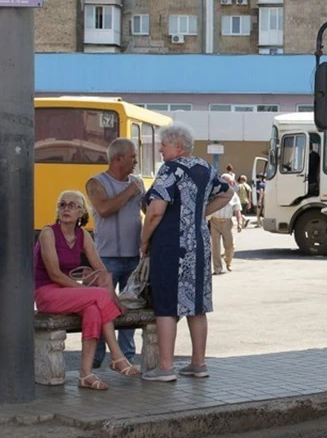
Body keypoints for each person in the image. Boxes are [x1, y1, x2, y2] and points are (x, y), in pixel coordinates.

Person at [140, 122, 232, 382]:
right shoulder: (204, 167)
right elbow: (227, 193)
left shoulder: (171, 169)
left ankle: (166, 367)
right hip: (199, 242)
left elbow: (156, 210)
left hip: (172, 244)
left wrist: (144, 240)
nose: (160, 149)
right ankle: (198, 363)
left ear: (178, 147)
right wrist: (199, 214)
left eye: (164, 145)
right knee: (197, 304)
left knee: (166, 304)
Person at [34, 190, 140, 390]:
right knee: (98, 295)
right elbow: (55, 274)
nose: (66, 209)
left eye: (72, 205)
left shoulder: (83, 235)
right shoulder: (48, 232)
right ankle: (117, 356)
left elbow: (102, 271)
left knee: (93, 309)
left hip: (69, 294)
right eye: (62, 205)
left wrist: (115, 301)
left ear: (82, 212)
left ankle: (85, 374)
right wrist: (84, 290)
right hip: (46, 292)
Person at [85, 138, 144, 368]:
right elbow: (104, 209)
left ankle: (127, 357)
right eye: (133, 157)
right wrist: (129, 191)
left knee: (130, 307)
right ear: (118, 158)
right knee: (101, 309)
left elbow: (148, 211)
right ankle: (97, 358)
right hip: (105, 259)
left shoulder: (138, 183)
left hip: (134, 256)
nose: (136, 162)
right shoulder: (96, 183)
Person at [208, 173, 244, 275]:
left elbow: (237, 210)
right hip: (214, 221)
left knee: (230, 245)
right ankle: (217, 268)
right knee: (215, 246)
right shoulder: (214, 193)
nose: (229, 184)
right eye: (226, 182)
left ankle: (228, 262)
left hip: (227, 222)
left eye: (230, 182)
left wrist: (240, 223)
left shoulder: (233, 194)